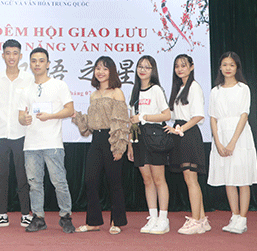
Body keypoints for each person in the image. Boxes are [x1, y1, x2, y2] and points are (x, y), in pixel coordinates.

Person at [18, 48, 75, 234]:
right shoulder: (26, 90)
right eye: (34, 60)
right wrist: (24, 119)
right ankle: (38, 217)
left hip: (53, 143)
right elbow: (20, 116)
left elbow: (69, 110)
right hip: (31, 144)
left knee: (59, 182)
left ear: (48, 64)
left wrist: (50, 116)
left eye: (41, 60)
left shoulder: (59, 85)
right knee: (34, 183)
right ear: (30, 64)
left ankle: (65, 216)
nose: (37, 64)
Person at [72, 56, 130, 234]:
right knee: (90, 181)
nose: (100, 72)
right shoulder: (94, 95)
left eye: (105, 68)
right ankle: (93, 222)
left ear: (111, 71)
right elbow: (90, 125)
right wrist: (78, 118)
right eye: (97, 68)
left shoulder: (117, 92)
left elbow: (121, 122)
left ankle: (116, 221)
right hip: (96, 141)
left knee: (114, 182)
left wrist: (119, 147)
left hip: (111, 139)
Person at [207, 52, 257, 234]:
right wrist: (218, 142)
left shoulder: (243, 89)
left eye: (231, 65)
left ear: (237, 67)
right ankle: (234, 216)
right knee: (228, 179)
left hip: (240, 136)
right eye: (224, 64)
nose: (228, 68)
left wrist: (232, 142)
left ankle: (242, 219)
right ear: (220, 67)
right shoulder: (215, 91)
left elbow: (244, 115)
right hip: (221, 135)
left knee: (243, 179)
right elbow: (213, 117)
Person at [0, 40, 33, 229]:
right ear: (3, 55)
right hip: (0, 134)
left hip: (21, 134)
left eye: (15, 53)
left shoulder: (28, 79)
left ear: (20, 56)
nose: (11, 57)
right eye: (8, 53)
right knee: (2, 176)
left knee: (23, 176)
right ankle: (1, 214)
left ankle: (26, 214)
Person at [165, 54, 209, 234]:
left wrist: (180, 129)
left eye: (183, 65)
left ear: (192, 67)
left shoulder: (194, 87)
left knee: (191, 180)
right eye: (177, 66)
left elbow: (198, 116)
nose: (180, 69)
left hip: (189, 135)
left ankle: (196, 220)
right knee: (190, 179)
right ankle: (203, 220)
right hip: (180, 134)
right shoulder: (179, 88)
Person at [127, 55, 172, 234]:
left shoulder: (156, 90)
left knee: (159, 179)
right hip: (139, 138)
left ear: (153, 71)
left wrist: (144, 117)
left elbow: (167, 115)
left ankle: (163, 218)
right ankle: (153, 217)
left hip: (155, 137)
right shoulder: (135, 91)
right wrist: (130, 144)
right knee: (147, 180)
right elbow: (132, 121)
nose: (143, 70)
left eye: (147, 67)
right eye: (140, 66)